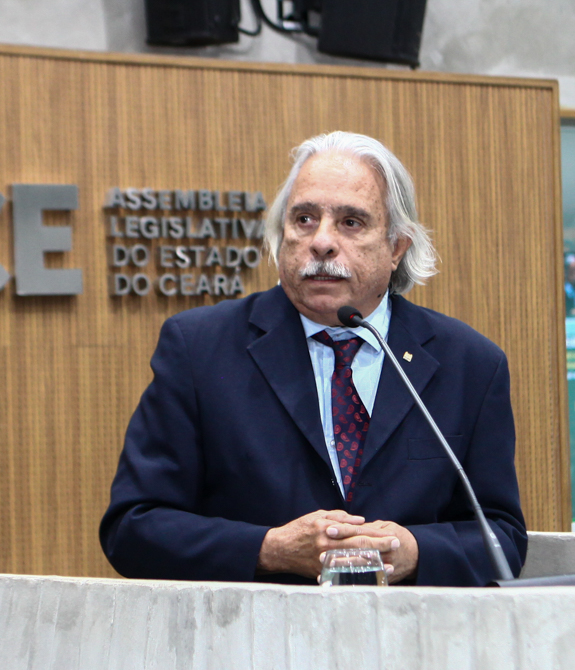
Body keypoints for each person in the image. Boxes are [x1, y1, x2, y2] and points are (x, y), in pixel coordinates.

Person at [100, 131, 527, 586]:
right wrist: (271, 550)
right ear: (281, 234)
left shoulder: (470, 364)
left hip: (410, 627)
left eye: (351, 222)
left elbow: (502, 538)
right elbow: (133, 527)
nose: (321, 241)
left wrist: (415, 552)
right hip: (253, 628)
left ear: (396, 246)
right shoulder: (199, 349)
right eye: (304, 219)